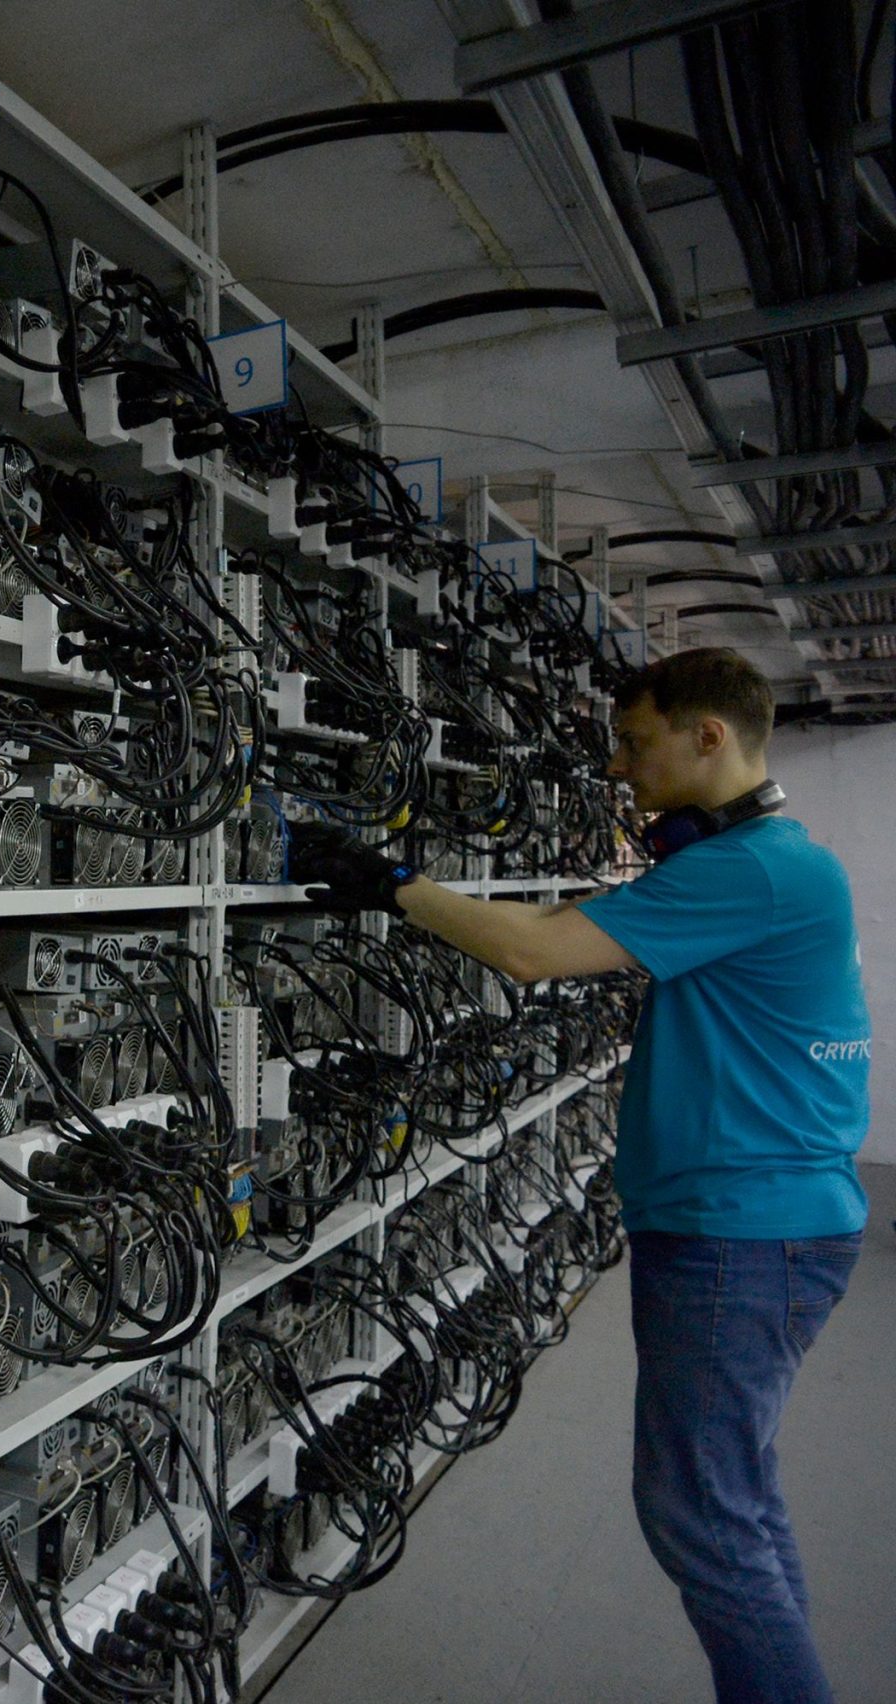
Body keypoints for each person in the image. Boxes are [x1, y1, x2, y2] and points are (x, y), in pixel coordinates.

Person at [289, 646, 869, 1704]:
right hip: (758, 1224)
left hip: (741, 1233)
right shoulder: (774, 863)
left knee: (699, 1518)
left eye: (635, 740)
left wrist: (391, 883)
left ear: (709, 736)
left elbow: (533, 953)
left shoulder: (746, 870)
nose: (616, 764)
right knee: (735, 1505)